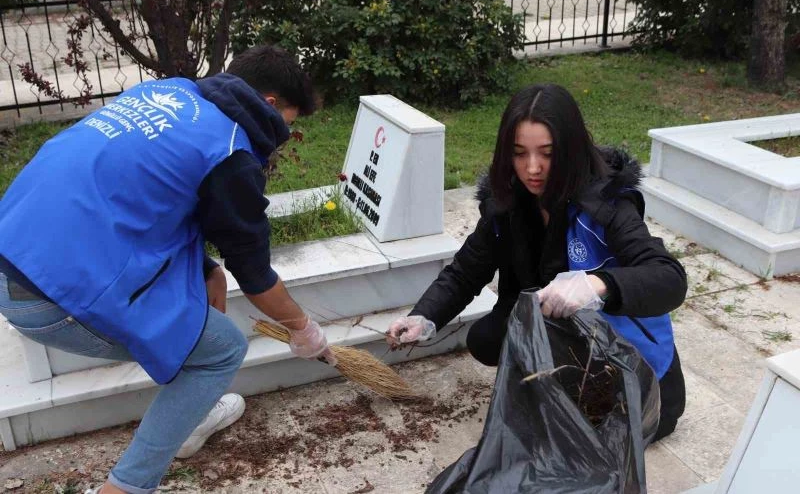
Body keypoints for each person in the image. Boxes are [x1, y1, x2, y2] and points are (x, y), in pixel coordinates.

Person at [0, 45, 336, 494]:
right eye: (286, 124)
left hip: (15, 251)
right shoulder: (231, 152)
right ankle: (124, 488)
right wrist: (303, 328)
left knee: (206, 287)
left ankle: (193, 415)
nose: (281, 137)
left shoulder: (170, 93)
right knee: (221, 351)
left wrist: (209, 269)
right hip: (51, 295)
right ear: (270, 103)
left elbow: (147, 193)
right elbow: (255, 276)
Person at [386, 83, 687, 442]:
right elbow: (466, 270)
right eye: (519, 153)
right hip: (565, 332)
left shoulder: (607, 204)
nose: (532, 168)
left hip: (633, 364)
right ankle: (555, 384)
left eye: (547, 153)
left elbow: (669, 277)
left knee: (593, 438)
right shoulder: (507, 203)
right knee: (486, 338)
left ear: (571, 149)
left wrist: (598, 284)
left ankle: (575, 391)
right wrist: (425, 316)